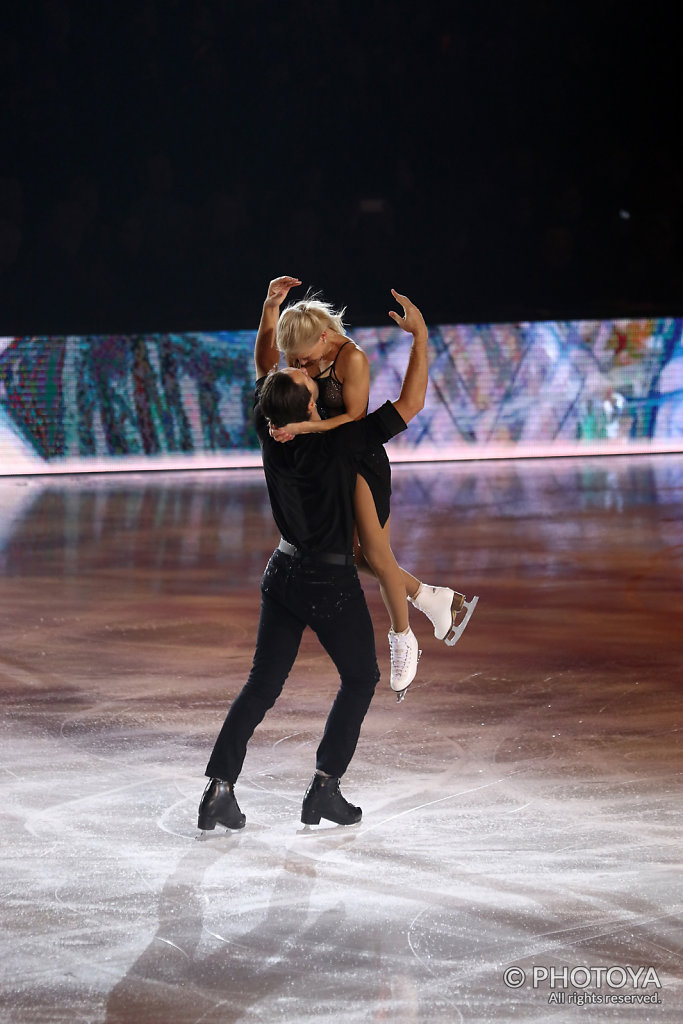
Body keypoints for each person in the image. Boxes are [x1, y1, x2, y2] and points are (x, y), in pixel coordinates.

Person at [198, 281, 431, 833]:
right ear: (306, 403)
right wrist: (420, 336)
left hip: (281, 572)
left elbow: (263, 367)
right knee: (361, 678)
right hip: (326, 581)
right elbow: (411, 403)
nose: (302, 371)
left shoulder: (267, 427)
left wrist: (268, 310)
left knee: (261, 684)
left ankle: (219, 789)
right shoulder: (340, 441)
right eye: (302, 377)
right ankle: (325, 789)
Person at [271, 284, 479, 675]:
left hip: (357, 457)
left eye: (303, 359)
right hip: (325, 459)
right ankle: (431, 598)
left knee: (376, 552)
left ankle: (403, 640)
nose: (298, 367)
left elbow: (353, 419)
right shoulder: (300, 351)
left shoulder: (353, 359)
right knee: (347, 555)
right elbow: (269, 366)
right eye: (293, 361)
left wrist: (302, 426)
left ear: (323, 336)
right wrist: (270, 308)